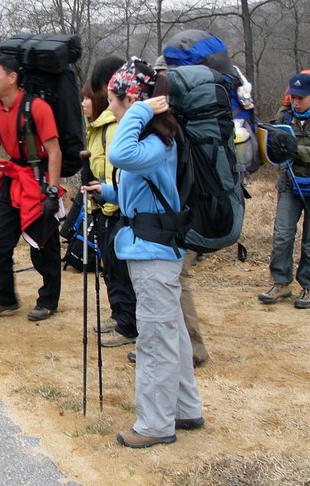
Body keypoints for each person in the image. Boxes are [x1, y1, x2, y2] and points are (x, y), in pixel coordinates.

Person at [84, 59, 203, 449]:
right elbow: (146, 197)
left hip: (155, 255)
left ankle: (155, 424)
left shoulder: (155, 142)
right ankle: (185, 408)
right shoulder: (154, 144)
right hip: (152, 248)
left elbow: (119, 154)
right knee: (171, 334)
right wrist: (108, 192)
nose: (110, 107)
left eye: (114, 100)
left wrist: (139, 110)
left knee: (154, 339)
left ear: (130, 100)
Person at [0, 56, 64, 321]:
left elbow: (54, 151)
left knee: (43, 244)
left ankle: (48, 301)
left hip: (38, 180)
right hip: (12, 179)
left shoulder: (36, 108)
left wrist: (52, 191)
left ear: (13, 77)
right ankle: (4, 299)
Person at [259, 73, 310, 309]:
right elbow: (274, 145)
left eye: (301, 98)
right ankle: (280, 283)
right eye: (293, 97)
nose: (296, 101)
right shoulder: (284, 115)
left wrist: (294, 149)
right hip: (289, 182)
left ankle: (309, 286)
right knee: (282, 235)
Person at [82, 56, 137, 348]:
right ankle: (119, 316)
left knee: (120, 268)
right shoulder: (97, 126)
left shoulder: (115, 126)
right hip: (104, 205)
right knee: (110, 268)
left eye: (88, 96)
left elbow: (118, 171)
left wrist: (109, 200)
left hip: (116, 209)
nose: (83, 103)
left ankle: (128, 325)